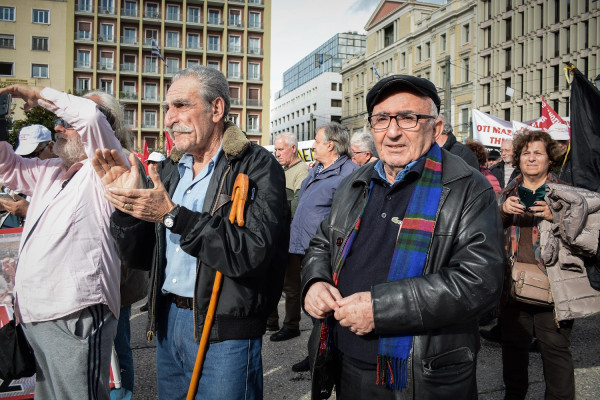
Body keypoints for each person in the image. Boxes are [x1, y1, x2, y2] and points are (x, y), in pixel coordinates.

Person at [92, 65, 289, 400]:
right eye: (168, 108)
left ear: (216, 109)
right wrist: (125, 208)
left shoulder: (255, 165)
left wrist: (174, 216)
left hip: (225, 331)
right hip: (170, 323)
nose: (170, 118)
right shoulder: (171, 169)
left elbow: (251, 253)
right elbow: (142, 256)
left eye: (181, 105)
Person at [301, 75, 504, 399]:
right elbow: (323, 243)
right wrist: (314, 282)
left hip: (421, 375)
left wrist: (381, 309)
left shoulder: (468, 186)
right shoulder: (356, 182)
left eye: (408, 118)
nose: (392, 132)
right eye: (381, 119)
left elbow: (480, 282)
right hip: (347, 363)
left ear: (436, 128)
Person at [0, 84, 128, 399]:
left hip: (76, 313)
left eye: (66, 122)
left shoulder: (109, 166)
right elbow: (8, 167)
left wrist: (39, 95)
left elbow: (87, 114)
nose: (58, 125)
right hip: (36, 316)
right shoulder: (52, 171)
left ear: (104, 126)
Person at [498, 129, 575, 400]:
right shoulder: (506, 191)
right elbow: (483, 230)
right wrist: (501, 210)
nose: (531, 158)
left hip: (553, 287)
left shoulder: (566, 193)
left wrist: (558, 217)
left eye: (538, 153)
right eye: (526, 153)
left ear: (550, 159)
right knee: (513, 351)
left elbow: (585, 237)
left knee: (555, 351)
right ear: (518, 159)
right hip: (512, 287)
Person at [288, 122, 358, 371]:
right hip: (306, 248)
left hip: (327, 252)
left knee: (325, 304)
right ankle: (319, 353)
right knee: (313, 304)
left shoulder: (348, 172)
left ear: (330, 144)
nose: (313, 146)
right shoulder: (317, 169)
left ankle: (323, 356)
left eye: (317, 141)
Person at [267, 132, 309, 336]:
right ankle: (271, 321)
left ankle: (291, 325)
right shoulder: (282, 170)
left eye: (281, 149)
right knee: (273, 279)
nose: (277, 154)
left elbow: (299, 206)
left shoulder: (302, 171)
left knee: (291, 284)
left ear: (293, 148)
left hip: (291, 236)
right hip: (278, 235)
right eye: (275, 150)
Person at [0, 124, 58, 226]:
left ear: (51, 147)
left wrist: (29, 211)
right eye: (23, 156)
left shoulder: (65, 173)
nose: (27, 160)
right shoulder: (24, 172)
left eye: (33, 154)